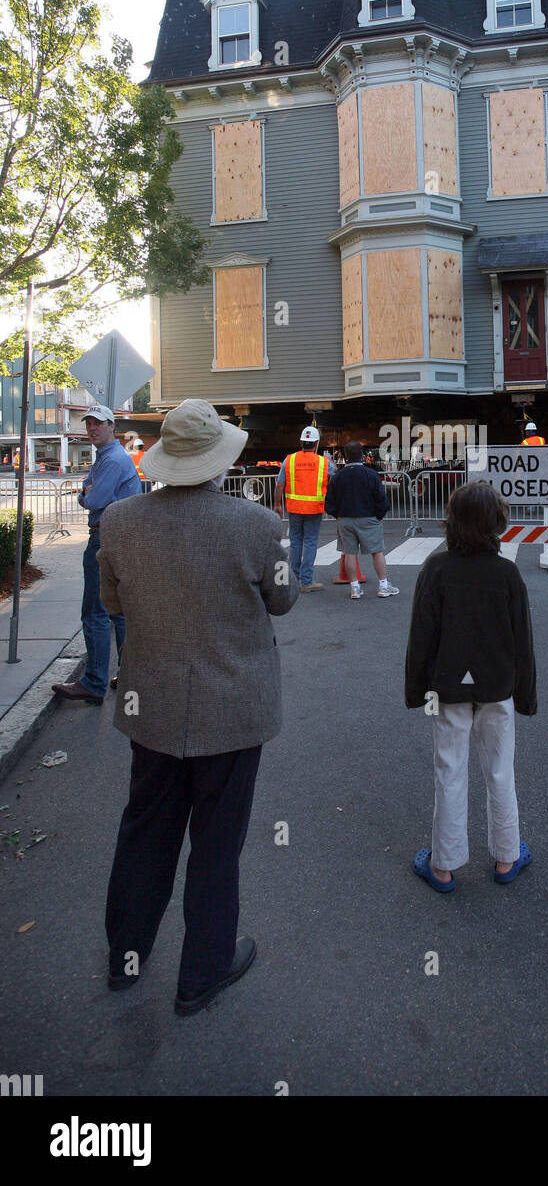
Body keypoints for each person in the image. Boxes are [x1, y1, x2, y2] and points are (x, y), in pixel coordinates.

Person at [97, 399, 298, 1015]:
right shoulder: (261, 526)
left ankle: (127, 959)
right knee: (216, 844)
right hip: (234, 710)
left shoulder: (120, 521)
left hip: (151, 705)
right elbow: (283, 602)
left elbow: (113, 604)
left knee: (145, 831)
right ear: (219, 461)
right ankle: (202, 974)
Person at [405, 481, 537, 892]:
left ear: (453, 521)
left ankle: (443, 866)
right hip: (497, 688)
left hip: (448, 688)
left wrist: (415, 690)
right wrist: (526, 696)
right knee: (500, 771)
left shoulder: (436, 569)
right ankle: (506, 857)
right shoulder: (507, 574)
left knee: (450, 771)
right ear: (497, 523)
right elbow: (523, 642)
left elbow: (421, 637)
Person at [52, 406, 141, 705]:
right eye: (88, 423)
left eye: (98, 424)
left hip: (105, 537)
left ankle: (93, 683)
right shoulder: (107, 457)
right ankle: (128, 675)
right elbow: (86, 492)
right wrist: (85, 492)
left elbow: (94, 498)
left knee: (96, 612)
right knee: (117, 612)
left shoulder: (112, 460)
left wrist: (85, 494)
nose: (92, 428)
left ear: (111, 426)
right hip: (119, 536)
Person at [324, 440, 398, 600]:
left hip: (345, 519)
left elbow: (329, 502)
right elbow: (381, 499)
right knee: (377, 552)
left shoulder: (338, 477)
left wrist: (338, 515)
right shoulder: (371, 474)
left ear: (344, 455)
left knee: (349, 553)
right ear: (362, 455)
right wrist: (379, 516)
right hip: (369, 518)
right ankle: (383, 586)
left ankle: (355, 588)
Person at [275, 426, 334, 593]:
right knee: (310, 542)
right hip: (314, 509)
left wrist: (277, 504)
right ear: (316, 443)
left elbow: (280, 484)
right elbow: (335, 473)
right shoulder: (323, 463)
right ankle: (306, 582)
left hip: (294, 508)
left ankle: (293, 579)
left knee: (295, 542)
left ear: (301, 442)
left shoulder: (289, 460)